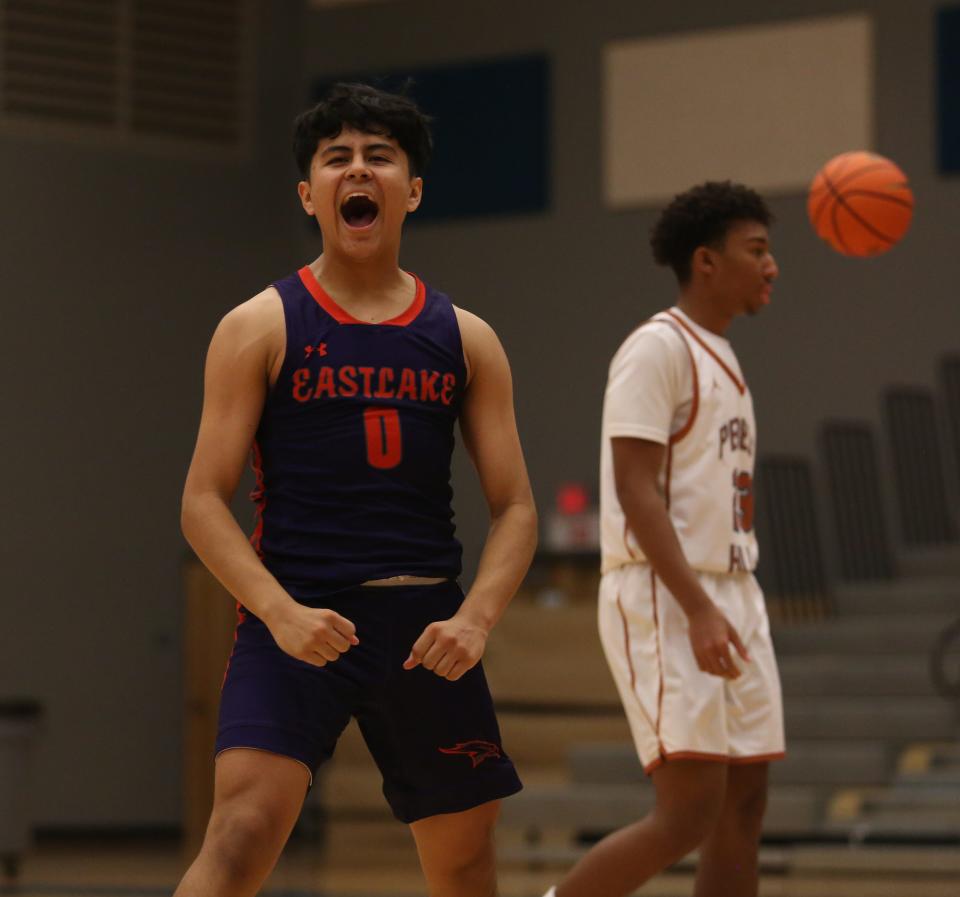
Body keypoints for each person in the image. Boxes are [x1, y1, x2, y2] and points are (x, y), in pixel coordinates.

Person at [175, 82, 537, 897]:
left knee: (468, 865)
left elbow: (515, 506)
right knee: (238, 836)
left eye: (379, 156)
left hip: (426, 627)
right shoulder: (258, 325)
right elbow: (202, 500)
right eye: (336, 159)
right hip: (299, 615)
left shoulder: (465, 337)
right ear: (309, 194)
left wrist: (476, 619)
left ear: (411, 190)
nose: (357, 170)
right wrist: (278, 611)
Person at [543, 181, 785, 897]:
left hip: (732, 587)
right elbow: (633, 487)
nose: (773, 266)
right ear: (706, 262)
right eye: (759, 250)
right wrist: (700, 607)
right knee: (687, 812)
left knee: (745, 801)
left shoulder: (726, 359)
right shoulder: (655, 349)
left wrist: (724, 603)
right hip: (665, 590)